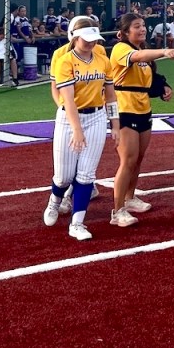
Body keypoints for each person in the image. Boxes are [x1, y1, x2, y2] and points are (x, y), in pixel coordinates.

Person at [42, 19, 119, 241]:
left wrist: (114, 124)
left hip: (96, 116)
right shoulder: (65, 61)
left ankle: (77, 223)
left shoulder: (103, 61)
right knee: (64, 176)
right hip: (69, 118)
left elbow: (111, 95)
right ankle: (55, 201)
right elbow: (67, 99)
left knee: (86, 175)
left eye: (94, 39)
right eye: (87, 39)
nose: (91, 43)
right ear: (75, 37)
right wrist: (77, 130)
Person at [109, 13, 174, 227]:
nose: (142, 29)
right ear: (124, 32)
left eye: (143, 26)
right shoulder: (121, 49)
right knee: (128, 160)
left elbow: (149, 79)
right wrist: (163, 51)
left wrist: (163, 88)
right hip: (124, 109)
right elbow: (138, 59)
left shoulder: (142, 51)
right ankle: (117, 210)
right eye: (137, 26)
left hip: (143, 108)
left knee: (138, 159)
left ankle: (130, 198)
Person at [49, 17, 109, 211]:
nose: (92, 42)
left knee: (86, 165)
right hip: (71, 111)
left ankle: (74, 197)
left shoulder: (98, 51)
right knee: (65, 169)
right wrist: (66, 108)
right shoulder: (61, 56)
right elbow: (56, 88)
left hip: (96, 112)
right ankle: (61, 196)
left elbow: (106, 83)